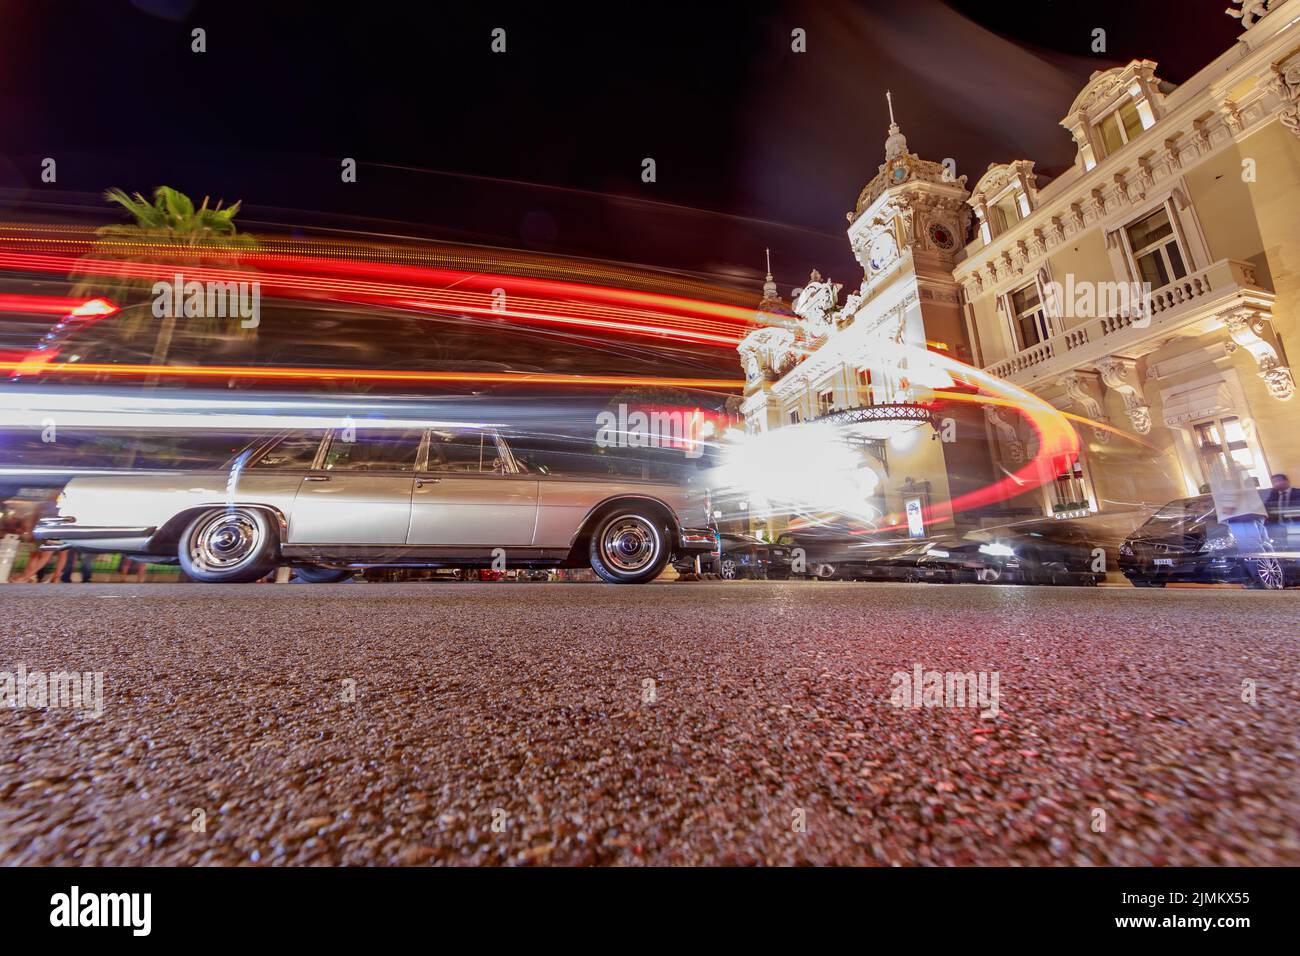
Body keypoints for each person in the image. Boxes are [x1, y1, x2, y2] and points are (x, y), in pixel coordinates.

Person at [1263, 473, 1296, 549]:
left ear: (1287, 481)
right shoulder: (1274, 494)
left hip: (1295, 524)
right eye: (1274, 482)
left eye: (1278, 481)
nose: (1276, 484)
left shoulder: (1297, 492)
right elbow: (1266, 507)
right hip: (1279, 525)